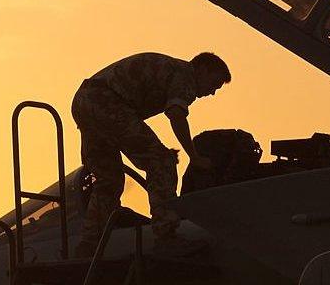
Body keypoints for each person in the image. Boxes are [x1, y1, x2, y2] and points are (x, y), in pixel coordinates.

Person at [71, 52, 231, 257]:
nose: (212, 92)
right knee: (162, 162)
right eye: (214, 83)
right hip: (106, 102)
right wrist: (195, 156)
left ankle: (88, 245)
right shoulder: (185, 75)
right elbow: (176, 114)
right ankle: (167, 236)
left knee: (108, 181)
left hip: (85, 101)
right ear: (202, 69)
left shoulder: (171, 70)